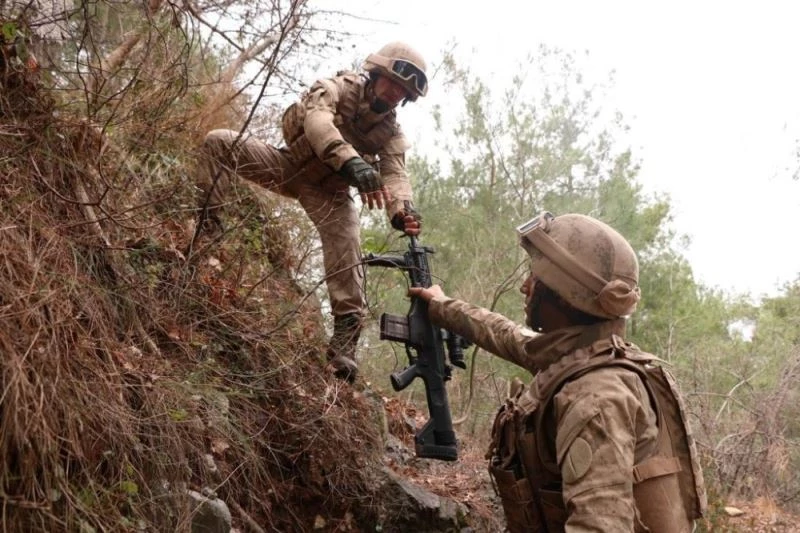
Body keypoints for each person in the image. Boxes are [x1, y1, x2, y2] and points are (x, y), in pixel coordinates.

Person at [409, 212, 706, 532]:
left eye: (536, 278)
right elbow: (508, 336)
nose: (525, 287)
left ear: (563, 295)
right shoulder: (584, 353)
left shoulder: (595, 398)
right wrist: (441, 305)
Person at [198, 42, 427, 382]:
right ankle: (207, 232)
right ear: (377, 74)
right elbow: (318, 123)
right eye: (393, 83)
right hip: (286, 166)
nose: (395, 93)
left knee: (348, 248)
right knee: (217, 142)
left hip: (329, 194)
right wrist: (352, 163)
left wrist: (401, 211)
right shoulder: (337, 88)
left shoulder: (391, 132)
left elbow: (395, 174)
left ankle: (343, 347)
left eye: (403, 91)